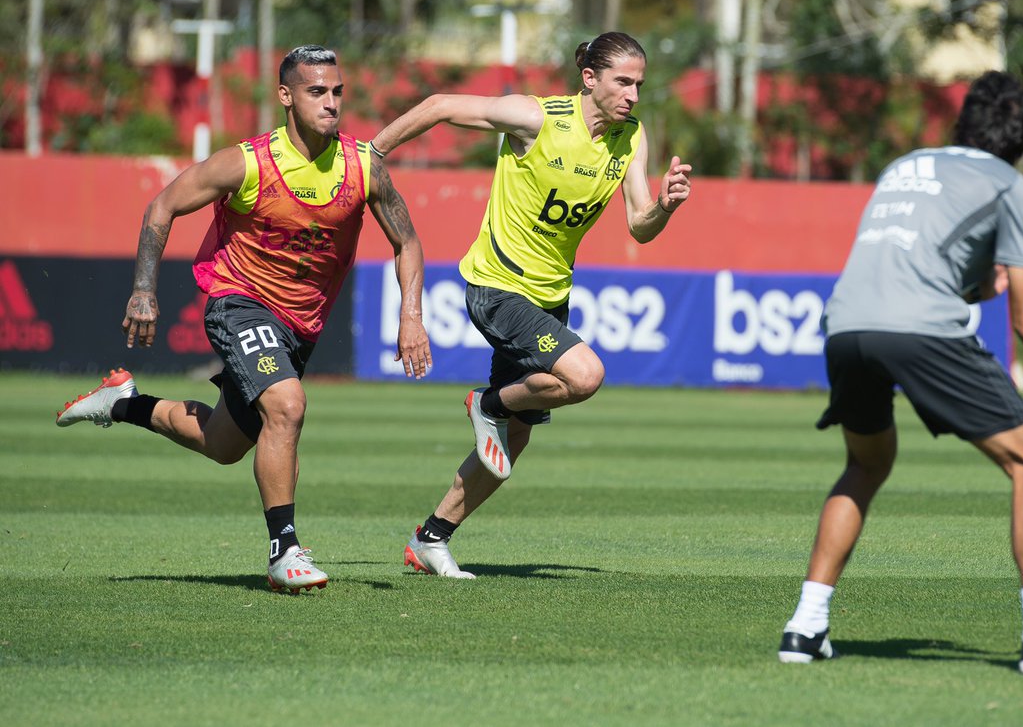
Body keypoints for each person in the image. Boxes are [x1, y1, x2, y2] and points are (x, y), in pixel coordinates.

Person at [56, 45, 432, 594]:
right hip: (239, 301)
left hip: (301, 325)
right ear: (285, 96)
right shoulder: (246, 162)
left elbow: (408, 241)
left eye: (337, 92)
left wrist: (411, 317)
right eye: (316, 92)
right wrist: (142, 290)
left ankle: (122, 401)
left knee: (223, 444)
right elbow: (161, 207)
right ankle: (286, 552)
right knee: (287, 405)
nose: (331, 103)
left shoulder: (363, 165)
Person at [778, 71, 1023, 675]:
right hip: (922, 330)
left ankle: (805, 627)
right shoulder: (1014, 188)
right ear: (1022, 142)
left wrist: (977, 284)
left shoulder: (905, 166)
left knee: (866, 462)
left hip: (847, 324)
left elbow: (925, 265)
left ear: (962, 123)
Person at [370, 31, 692, 579]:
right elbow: (440, 105)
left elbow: (639, 227)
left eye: (639, 83)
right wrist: (372, 154)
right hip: (497, 286)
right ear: (589, 79)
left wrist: (663, 205)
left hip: (549, 298)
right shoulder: (536, 118)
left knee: (513, 440)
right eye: (623, 82)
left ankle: (431, 538)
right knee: (585, 375)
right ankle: (488, 403)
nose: (634, 94)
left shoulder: (630, 138)